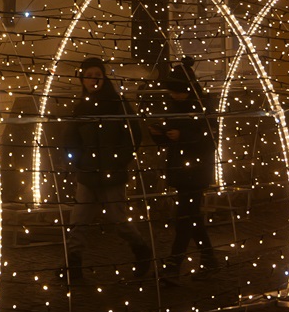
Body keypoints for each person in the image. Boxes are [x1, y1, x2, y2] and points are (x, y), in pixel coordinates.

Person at [61, 57, 153, 283]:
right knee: (79, 220)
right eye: (88, 76)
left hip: (112, 174)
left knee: (118, 220)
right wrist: (78, 159)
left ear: (104, 77)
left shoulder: (117, 103)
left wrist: (119, 159)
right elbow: (70, 137)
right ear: (82, 79)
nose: (93, 80)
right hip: (87, 174)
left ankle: (141, 250)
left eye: (97, 75)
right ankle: (73, 266)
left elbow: (133, 134)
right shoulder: (80, 108)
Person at [148, 64, 219, 286]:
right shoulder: (174, 106)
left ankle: (173, 265)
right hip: (180, 170)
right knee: (191, 217)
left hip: (197, 170)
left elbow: (210, 139)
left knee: (184, 218)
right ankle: (209, 259)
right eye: (172, 92)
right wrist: (159, 135)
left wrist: (182, 135)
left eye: (178, 91)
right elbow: (170, 139)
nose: (174, 95)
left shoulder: (203, 106)